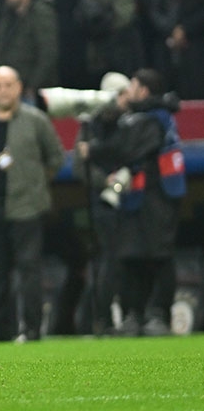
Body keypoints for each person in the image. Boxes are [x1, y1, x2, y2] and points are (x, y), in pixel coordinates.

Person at [77, 68, 186, 336]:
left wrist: (93, 149)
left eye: (133, 86)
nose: (129, 92)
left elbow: (128, 148)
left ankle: (158, 313)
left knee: (159, 255)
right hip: (140, 196)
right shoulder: (144, 117)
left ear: (144, 91)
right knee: (132, 256)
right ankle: (134, 314)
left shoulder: (155, 118)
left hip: (158, 194)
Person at [0, 65, 64, 342]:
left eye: (9, 85)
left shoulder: (35, 120)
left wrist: (36, 182)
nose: (3, 91)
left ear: (19, 88)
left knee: (29, 270)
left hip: (26, 207)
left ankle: (31, 328)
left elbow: (56, 157)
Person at [71, 71, 132, 335]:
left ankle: (130, 316)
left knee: (130, 259)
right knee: (110, 259)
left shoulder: (131, 122)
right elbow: (78, 165)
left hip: (134, 199)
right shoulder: (90, 125)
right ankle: (100, 319)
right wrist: (105, 181)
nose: (125, 99)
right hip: (104, 202)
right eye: (121, 94)